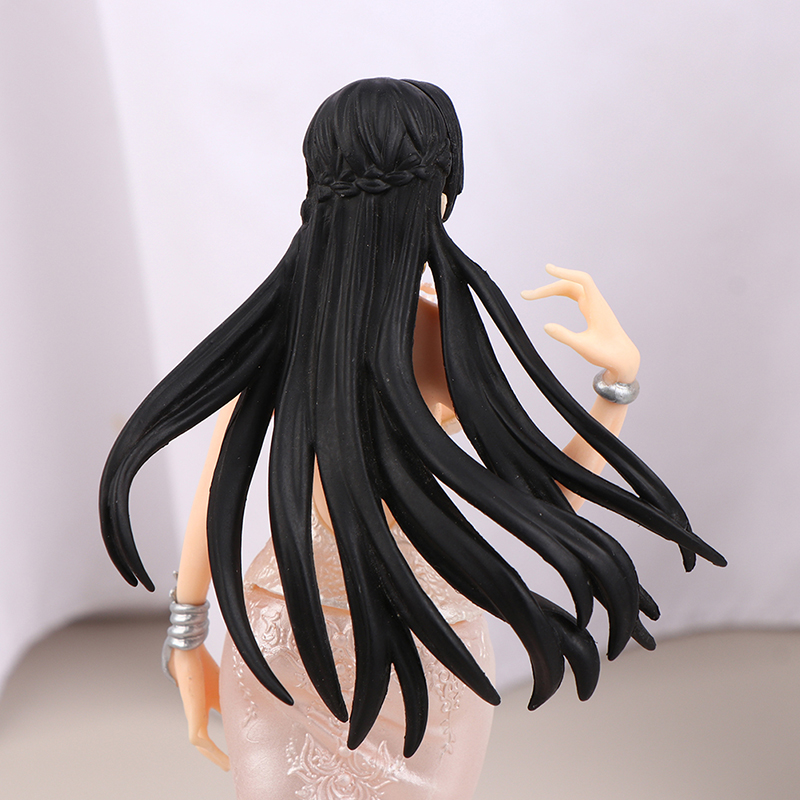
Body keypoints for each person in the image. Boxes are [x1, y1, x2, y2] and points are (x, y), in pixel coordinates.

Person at [100, 78, 725, 799]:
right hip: (387, 642)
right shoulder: (421, 335)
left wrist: (186, 633)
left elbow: (221, 476)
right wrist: (616, 388)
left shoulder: (303, 324)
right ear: (438, 200)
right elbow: (545, 499)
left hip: (333, 637)